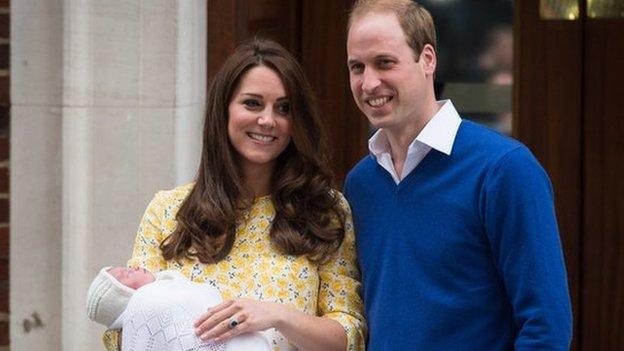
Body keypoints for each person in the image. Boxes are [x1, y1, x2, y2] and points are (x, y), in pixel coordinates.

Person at [102, 38, 366, 351]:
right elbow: (127, 325)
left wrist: (278, 316)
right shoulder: (168, 210)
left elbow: (350, 335)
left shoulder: (325, 210)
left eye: (283, 108)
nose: (268, 120)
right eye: (252, 103)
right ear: (224, 110)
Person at [342, 1, 572, 350]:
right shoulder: (361, 184)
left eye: (384, 62)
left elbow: (546, 330)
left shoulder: (505, 170)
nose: (369, 82)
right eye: (357, 67)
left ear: (428, 59)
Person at [87, 266, 271, 351]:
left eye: (126, 268)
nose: (133, 268)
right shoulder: (149, 301)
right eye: (124, 275)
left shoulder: (174, 286)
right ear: (123, 296)